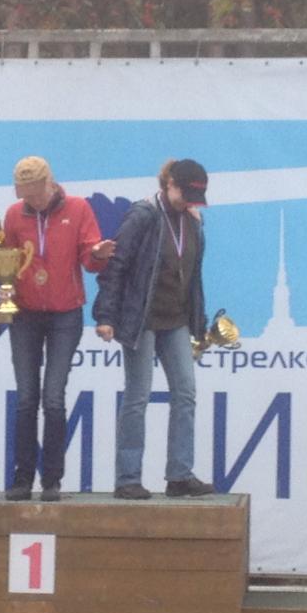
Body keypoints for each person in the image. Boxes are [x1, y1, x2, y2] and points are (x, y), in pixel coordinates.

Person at [93, 159, 215, 500]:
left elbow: (193, 277)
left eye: (195, 197)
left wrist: (199, 322)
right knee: (138, 396)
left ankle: (179, 475)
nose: (189, 202)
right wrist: (106, 316)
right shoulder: (142, 215)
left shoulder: (193, 221)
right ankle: (127, 479)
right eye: (185, 194)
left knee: (186, 392)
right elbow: (116, 265)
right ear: (169, 183)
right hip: (141, 318)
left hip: (176, 319)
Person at [3, 156, 115, 502]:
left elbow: (90, 261)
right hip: (24, 315)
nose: (33, 201)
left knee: (53, 397)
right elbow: (5, 264)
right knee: (26, 398)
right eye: (26, 195)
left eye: (37, 194)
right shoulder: (14, 214)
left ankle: (51, 480)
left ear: (50, 184)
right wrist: (3, 298)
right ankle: (22, 478)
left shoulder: (78, 208)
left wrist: (99, 254)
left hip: (66, 315)